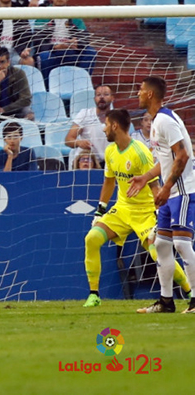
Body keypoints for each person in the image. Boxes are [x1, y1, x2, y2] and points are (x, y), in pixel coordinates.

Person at [82, 109, 191, 308]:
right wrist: (100, 210)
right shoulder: (110, 151)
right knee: (91, 239)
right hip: (122, 210)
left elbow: (154, 186)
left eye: (106, 125)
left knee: (159, 253)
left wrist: (158, 217)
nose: (104, 129)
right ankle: (94, 295)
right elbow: (109, 182)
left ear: (115, 126)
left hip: (145, 211)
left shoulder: (140, 152)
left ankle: (189, 291)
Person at [128, 77, 195, 314]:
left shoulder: (165, 120)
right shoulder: (157, 121)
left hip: (183, 189)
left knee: (181, 243)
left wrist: (166, 188)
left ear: (150, 94)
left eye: (141, 89)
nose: (138, 93)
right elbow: (166, 160)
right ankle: (166, 302)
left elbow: (183, 155)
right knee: (162, 244)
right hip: (171, 191)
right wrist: (146, 177)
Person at [32, 0, 95, 83]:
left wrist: (77, 42)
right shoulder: (43, 14)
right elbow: (37, 41)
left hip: (71, 52)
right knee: (44, 56)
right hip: (53, 53)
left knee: (90, 52)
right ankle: (48, 90)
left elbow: (85, 36)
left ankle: (83, 86)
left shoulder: (74, 14)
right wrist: (54, 47)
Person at [64, 85, 113, 169]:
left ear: (112, 98)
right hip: (90, 162)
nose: (101, 97)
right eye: (98, 95)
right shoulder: (85, 114)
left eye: (106, 94)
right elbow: (68, 140)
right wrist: (79, 142)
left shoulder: (117, 117)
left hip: (110, 162)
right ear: (94, 99)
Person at [0, 47, 33, 121]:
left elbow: (26, 99)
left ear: (8, 62)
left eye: (2, 62)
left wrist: (4, 109)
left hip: (13, 108)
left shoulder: (19, 73)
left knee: (29, 113)